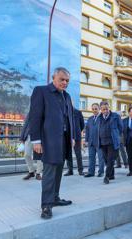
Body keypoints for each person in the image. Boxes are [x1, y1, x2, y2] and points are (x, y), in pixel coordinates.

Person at [29, 67, 74, 219]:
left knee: (59, 169)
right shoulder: (41, 91)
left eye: (67, 80)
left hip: (63, 140)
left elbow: (69, 118)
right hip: (48, 140)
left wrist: (72, 138)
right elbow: (35, 118)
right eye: (62, 79)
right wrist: (36, 140)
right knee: (49, 173)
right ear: (53, 77)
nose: (65, 82)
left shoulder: (66, 96)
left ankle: (55, 198)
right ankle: (46, 205)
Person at [98, 101, 122, 184]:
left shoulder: (115, 116)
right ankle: (112, 175)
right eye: (103, 109)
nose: (105, 111)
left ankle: (107, 176)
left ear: (109, 108)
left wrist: (116, 136)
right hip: (102, 142)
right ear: (101, 109)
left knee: (110, 160)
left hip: (112, 141)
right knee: (106, 160)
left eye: (106, 109)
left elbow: (120, 128)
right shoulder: (99, 117)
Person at [20, 112, 43, 180]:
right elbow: (25, 124)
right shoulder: (30, 112)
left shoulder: (44, 112)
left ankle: (38, 173)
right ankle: (31, 172)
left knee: (39, 156)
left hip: (39, 137)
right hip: (29, 136)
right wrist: (22, 137)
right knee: (26, 154)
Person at [84, 103, 105, 178]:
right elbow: (87, 130)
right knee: (91, 157)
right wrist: (86, 140)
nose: (94, 110)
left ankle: (101, 172)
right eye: (93, 109)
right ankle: (91, 172)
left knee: (100, 158)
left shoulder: (102, 118)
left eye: (96, 109)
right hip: (91, 142)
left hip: (99, 142)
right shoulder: (89, 119)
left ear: (99, 109)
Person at [65, 106, 85, 176]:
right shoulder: (64, 111)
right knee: (68, 154)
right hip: (67, 136)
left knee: (78, 154)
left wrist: (77, 131)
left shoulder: (78, 112)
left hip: (76, 136)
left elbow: (82, 125)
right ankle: (70, 170)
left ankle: (80, 170)